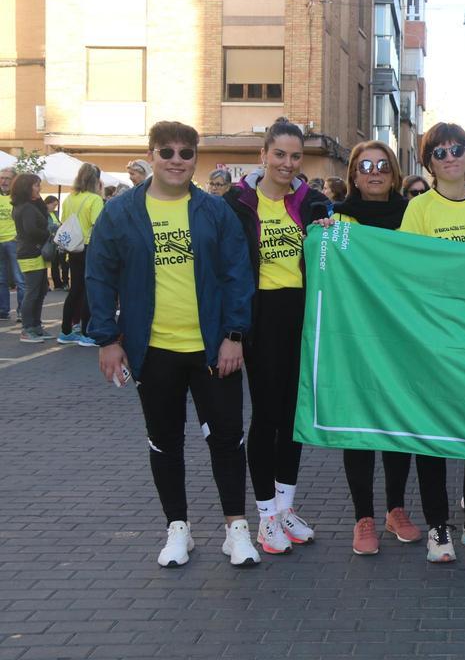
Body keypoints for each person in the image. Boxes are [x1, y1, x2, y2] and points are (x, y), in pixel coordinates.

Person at [87, 120, 259, 568]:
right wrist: (107, 339)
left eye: (186, 152)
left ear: (195, 158)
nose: (177, 160)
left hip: (212, 349)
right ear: (151, 156)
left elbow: (238, 274)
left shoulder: (214, 211)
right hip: (154, 350)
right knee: (165, 441)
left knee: (227, 439)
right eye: (167, 152)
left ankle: (236, 529)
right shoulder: (120, 213)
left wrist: (234, 335)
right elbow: (99, 276)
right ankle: (178, 528)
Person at [401, 122, 465, 562]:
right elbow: (406, 270)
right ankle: (437, 527)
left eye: (457, 149)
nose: (449, 158)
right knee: (433, 434)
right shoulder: (419, 209)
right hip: (434, 338)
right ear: (429, 162)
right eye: (439, 152)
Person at [225, 117, 328, 556]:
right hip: (260, 317)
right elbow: (228, 268)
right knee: (266, 417)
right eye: (280, 154)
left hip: (301, 315)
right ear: (263, 154)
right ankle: (266, 515)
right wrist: (232, 330)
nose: (287, 163)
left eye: (295, 156)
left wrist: (329, 230)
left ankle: (285, 509)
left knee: (293, 416)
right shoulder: (237, 204)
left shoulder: (313, 203)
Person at [325, 141, 426, 555]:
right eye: (365, 166)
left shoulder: (412, 214)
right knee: (360, 424)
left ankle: (395, 509)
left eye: (383, 165)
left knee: (397, 421)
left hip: (401, 332)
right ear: (353, 174)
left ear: (395, 173)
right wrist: (322, 238)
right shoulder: (337, 217)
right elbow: (323, 270)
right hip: (356, 334)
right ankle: (363, 517)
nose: (375, 172)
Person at [57, 163, 104, 347]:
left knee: (75, 289)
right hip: (89, 247)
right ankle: (86, 333)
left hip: (72, 247)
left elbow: (64, 221)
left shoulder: (69, 198)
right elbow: (98, 225)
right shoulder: (95, 199)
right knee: (88, 290)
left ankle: (66, 331)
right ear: (96, 180)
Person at [11, 174, 51, 343]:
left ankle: (36, 326)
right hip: (30, 252)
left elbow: (43, 212)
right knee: (33, 292)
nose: (39, 188)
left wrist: (39, 198)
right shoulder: (26, 208)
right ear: (26, 187)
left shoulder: (27, 205)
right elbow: (31, 230)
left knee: (40, 291)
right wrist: (49, 234)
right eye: (36, 185)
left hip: (34, 252)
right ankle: (27, 329)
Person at [0, 165, 24, 321]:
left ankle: (22, 311)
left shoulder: (18, 198)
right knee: (0, 279)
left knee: (19, 279)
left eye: (7, 178)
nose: (4, 181)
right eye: (2, 178)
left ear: (14, 180)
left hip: (14, 242)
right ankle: (3, 310)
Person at [44, 196, 68, 291]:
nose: (54, 207)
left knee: (57, 263)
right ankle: (46, 284)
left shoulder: (55, 213)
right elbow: (49, 226)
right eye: (53, 205)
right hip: (49, 241)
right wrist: (58, 227)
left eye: (56, 205)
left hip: (57, 242)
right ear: (47, 203)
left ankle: (58, 283)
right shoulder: (44, 214)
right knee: (47, 263)